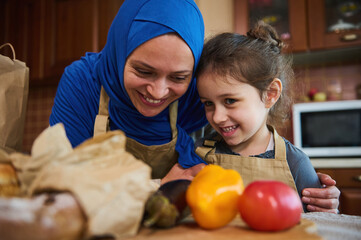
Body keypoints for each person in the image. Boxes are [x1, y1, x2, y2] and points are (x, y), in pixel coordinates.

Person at [0, 2, 339, 239]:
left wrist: (320, 200)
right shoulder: (83, 82)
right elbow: (59, 180)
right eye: (143, 71)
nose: (158, 92)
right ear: (120, 50)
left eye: (179, 77)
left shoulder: (197, 96)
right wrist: (157, 188)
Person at [194, 21, 340, 212]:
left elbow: (320, 223)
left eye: (230, 100)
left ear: (270, 94)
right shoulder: (198, 154)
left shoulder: (295, 163)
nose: (218, 117)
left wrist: (330, 209)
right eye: (208, 103)